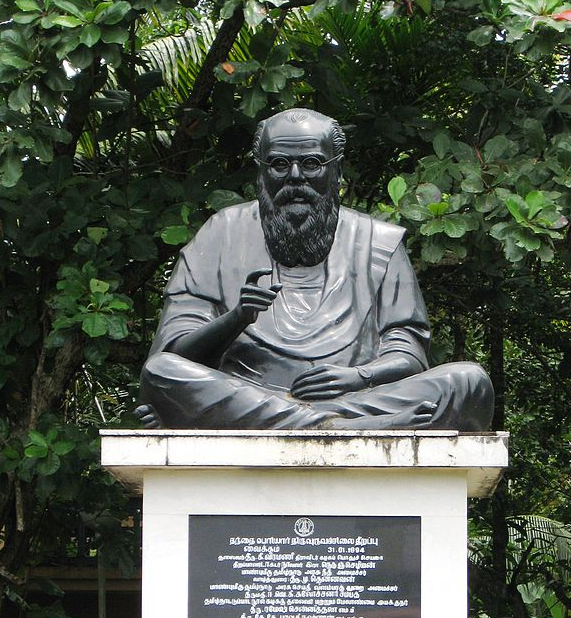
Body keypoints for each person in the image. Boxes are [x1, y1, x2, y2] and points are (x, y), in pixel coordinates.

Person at [135, 108, 493, 431]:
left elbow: (409, 352)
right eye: (279, 164)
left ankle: (323, 420)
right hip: (249, 394)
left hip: (344, 400)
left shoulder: (379, 242)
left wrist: (358, 376)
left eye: (310, 164)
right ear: (260, 170)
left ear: (335, 168)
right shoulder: (221, 233)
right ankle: (332, 427)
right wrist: (236, 318)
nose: (295, 177)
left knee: (469, 381)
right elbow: (173, 355)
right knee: (161, 373)